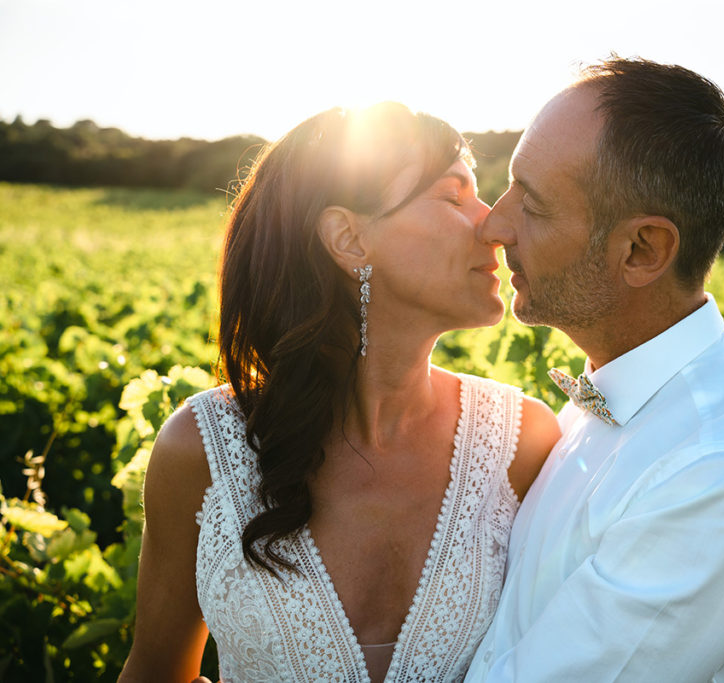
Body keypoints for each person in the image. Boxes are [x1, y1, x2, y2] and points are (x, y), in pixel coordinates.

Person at [117, 103, 560, 683]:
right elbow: (155, 672)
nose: (494, 226)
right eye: (454, 197)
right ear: (349, 239)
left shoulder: (523, 443)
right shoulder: (202, 451)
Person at [464, 58, 724, 682]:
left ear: (643, 250)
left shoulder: (720, 473)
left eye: (535, 204)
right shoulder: (613, 398)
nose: (494, 225)